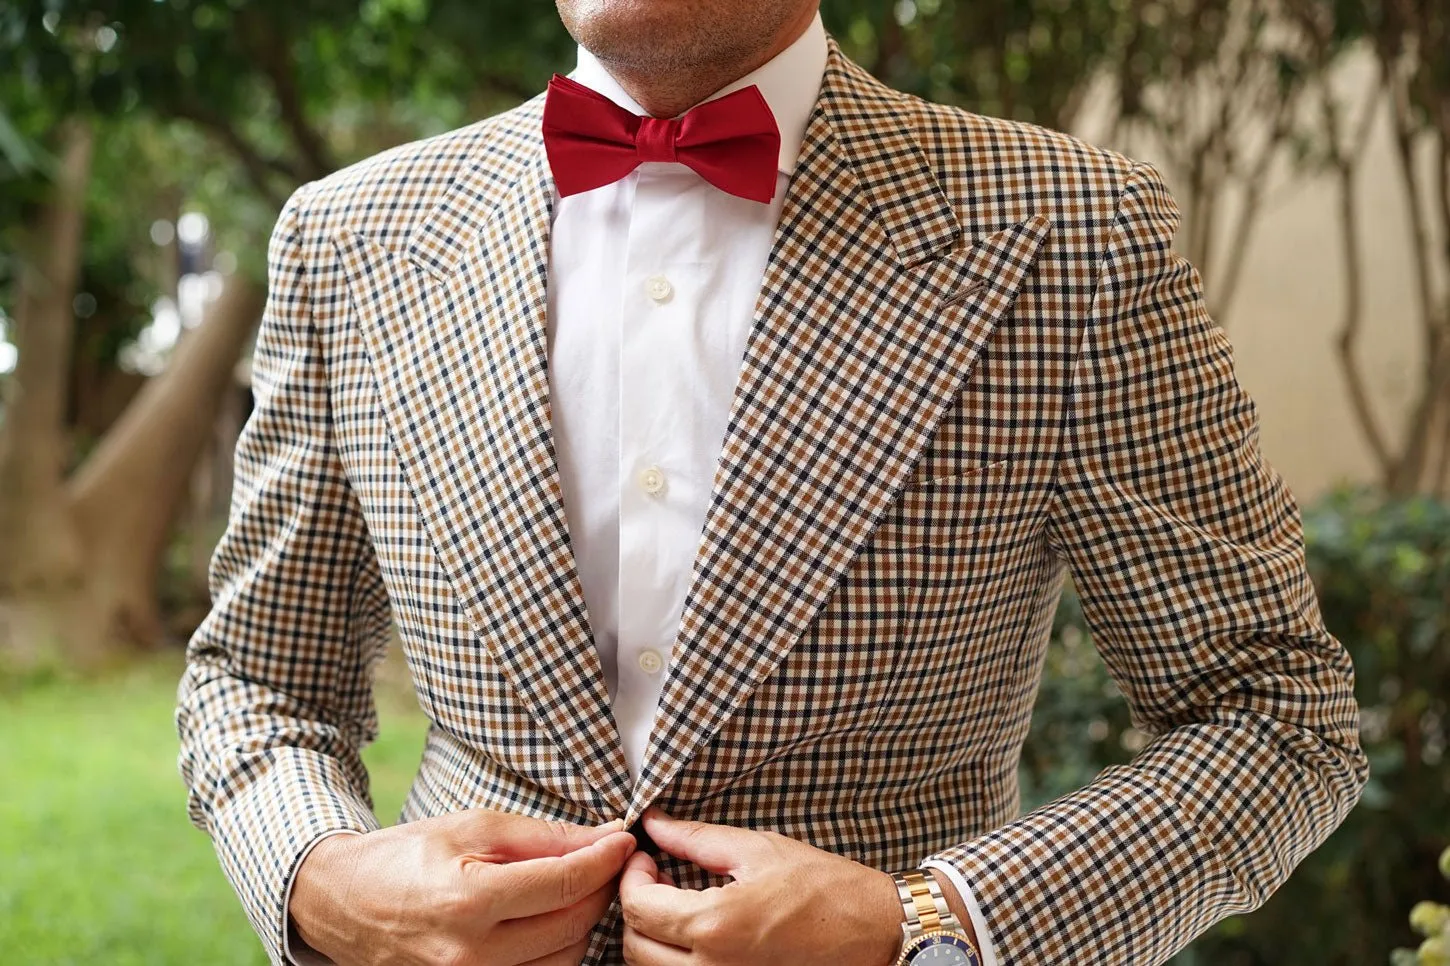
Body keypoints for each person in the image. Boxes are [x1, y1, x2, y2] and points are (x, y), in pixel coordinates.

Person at [176, 2, 1368, 965]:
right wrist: (321, 879)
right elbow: (258, 682)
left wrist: (933, 927)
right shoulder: (350, 238)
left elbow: (1271, 713)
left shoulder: (1068, 233)